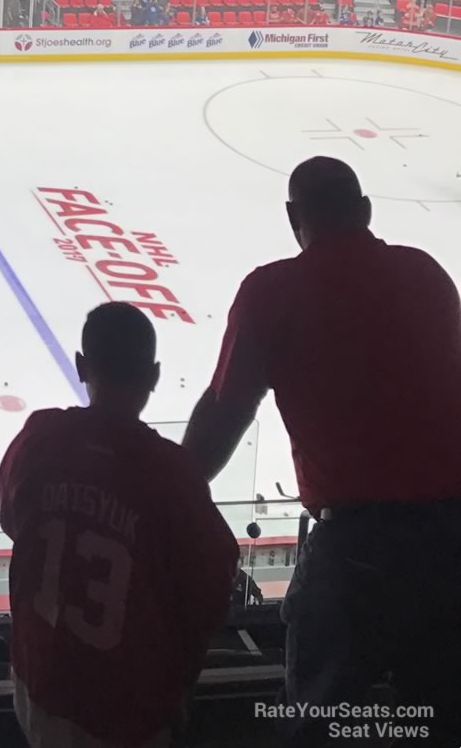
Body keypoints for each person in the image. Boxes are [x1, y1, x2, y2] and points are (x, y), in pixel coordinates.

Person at [183, 158, 461, 747]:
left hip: (355, 554)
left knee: (317, 724)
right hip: (449, 542)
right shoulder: (425, 274)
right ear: (364, 210)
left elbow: (227, 408)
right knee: (440, 721)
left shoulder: (274, 291)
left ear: (293, 218)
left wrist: (174, 487)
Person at [0, 304, 235, 748]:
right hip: (127, 705)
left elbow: (13, 519)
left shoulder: (40, 437)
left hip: (43, 684)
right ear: (154, 375)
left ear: (82, 366)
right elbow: (208, 590)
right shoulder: (171, 472)